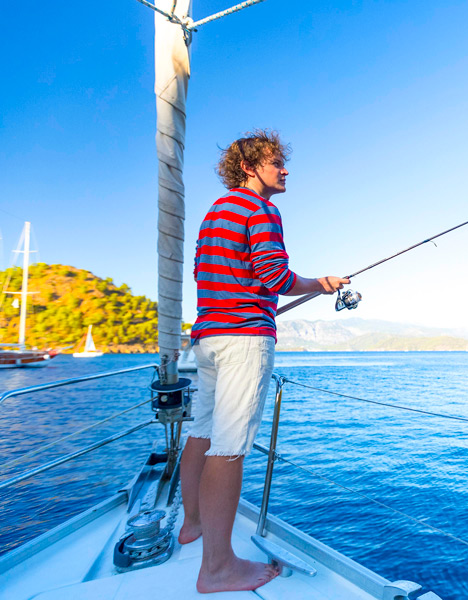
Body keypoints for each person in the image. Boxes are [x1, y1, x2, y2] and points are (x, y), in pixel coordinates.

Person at [179, 129, 349, 593]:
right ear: (250, 168)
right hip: (242, 341)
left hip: (208, 338)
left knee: (200, 430)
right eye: (277, 162)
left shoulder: (216, 213)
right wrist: (320, 283)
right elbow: (272, 274)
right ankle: (217, 568)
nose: (285, 169)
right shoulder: (261, 209)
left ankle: (191, 523)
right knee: (229, 447)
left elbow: (208, 275)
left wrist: (251, 299)